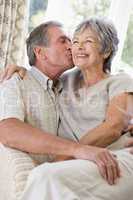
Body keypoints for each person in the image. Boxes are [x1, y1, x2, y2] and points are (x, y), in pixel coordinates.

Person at [2, 18, 133, 200]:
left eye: (88, 41)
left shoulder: (120, 81)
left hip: (114, 157)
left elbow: (114, 127)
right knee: (48, 180)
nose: (75, 47)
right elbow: (7, 128)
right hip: (82, 161)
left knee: (44, 176)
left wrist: (62, 158)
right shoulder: (63, 82)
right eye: (72, 41)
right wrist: (18, 69)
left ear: (106, 51)